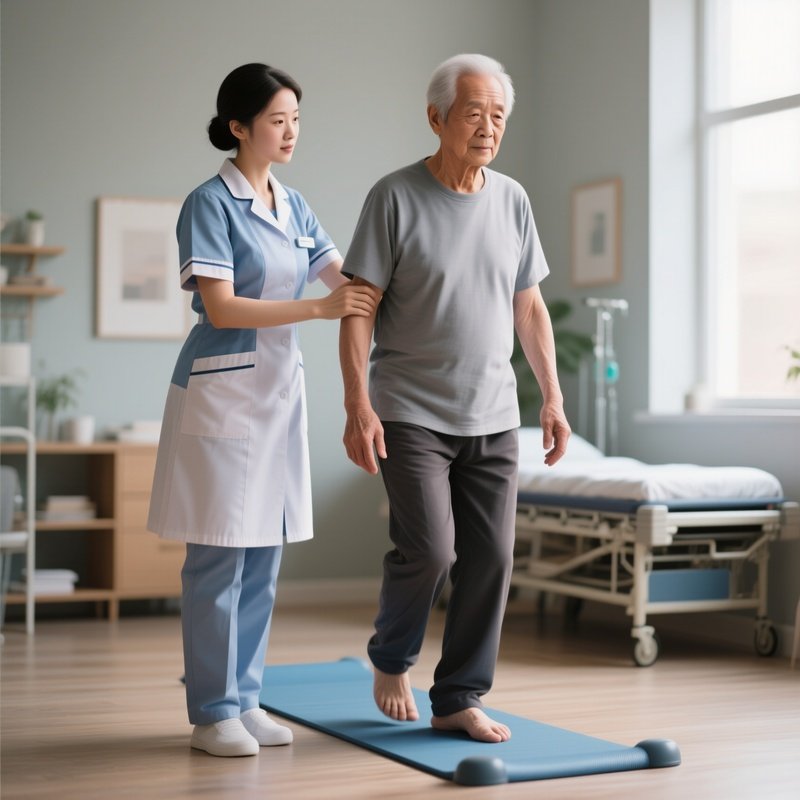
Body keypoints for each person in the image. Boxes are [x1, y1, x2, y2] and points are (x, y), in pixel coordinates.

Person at [147, 63, 378, 758]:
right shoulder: (208, 204)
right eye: (278, 120)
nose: (290, 133)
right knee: (219, 554)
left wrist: (399, 287)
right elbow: (220, 305)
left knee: (263, 555)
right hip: (221, 387)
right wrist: (317, 308)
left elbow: (345, 278)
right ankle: (210, 709)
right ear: (239, 126)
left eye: (296, 120)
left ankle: (245, 699)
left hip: (277, 393)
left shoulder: (294, 204)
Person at [339, 54, 570, 744]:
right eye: (474, 112)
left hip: (493, 412)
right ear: (437, 117)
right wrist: (358, 403)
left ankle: (459, 695)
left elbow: (529, 309)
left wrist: (552, 399)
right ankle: (391, 656)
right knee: (432, 550)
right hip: (409, 409)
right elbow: (358, 308)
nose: (488, 127)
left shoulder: (512, 200)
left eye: (499, 115)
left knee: (493, 558)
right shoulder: (394, 196)